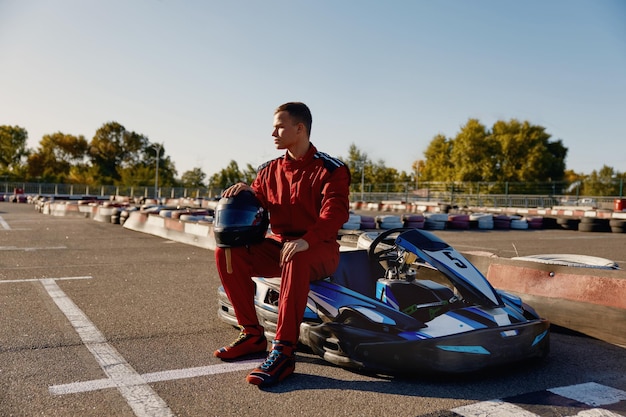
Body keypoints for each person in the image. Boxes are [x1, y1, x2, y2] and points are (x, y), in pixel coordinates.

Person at [213, 102, 351, 386]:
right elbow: (260, 202)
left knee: (294, 256)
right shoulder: (267, 170)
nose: (272, 132)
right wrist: (248, 192)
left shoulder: (331, 169)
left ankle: (284, 353)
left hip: (318, 248)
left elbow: (335, 213)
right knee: (227, 252)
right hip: (281, 246)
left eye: (279, 126)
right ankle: (252, 335)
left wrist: (306, 241)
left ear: (299, 129)